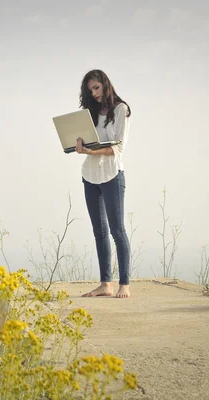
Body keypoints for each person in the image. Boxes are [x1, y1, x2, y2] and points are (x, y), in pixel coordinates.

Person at [75, 69, 132, 299]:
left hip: (111, 175)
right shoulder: (90, 112)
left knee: (117, 231)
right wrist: (77, 145)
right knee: (99, 232)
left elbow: (117, 149)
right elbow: (86, 144)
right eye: (90, 90)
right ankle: (105, 284)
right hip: (90, 175)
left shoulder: (121, 109)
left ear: (105, 85)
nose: (94, 93)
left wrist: (90, 150)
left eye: (96, 87)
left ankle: (124, 284)